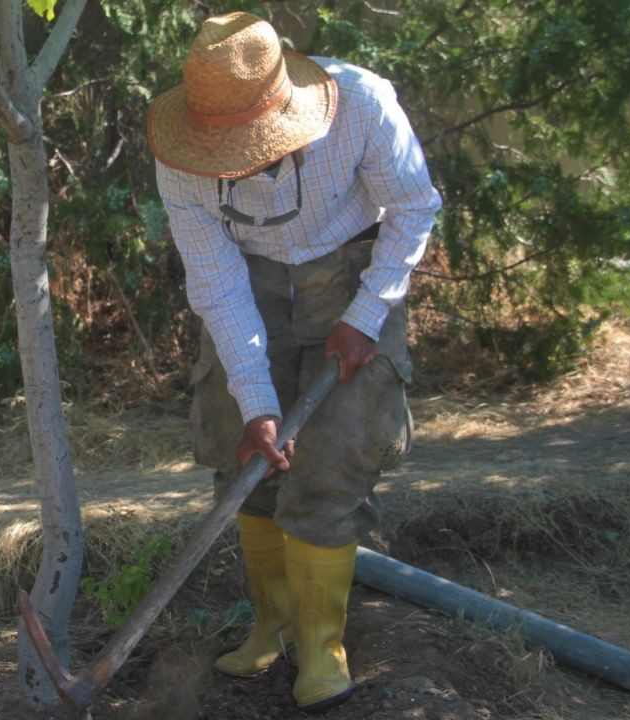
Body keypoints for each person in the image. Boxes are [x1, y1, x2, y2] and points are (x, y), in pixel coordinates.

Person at [146, 11, 441, 713]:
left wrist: (366, 314)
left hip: (354, 268)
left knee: (334, 453)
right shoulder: (178, 156)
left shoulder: (363, 104)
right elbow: (217, 284)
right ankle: (272, 627)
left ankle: (321, 648)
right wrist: (256, 404)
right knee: (245, 455)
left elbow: (412, 208)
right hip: (250, 281)